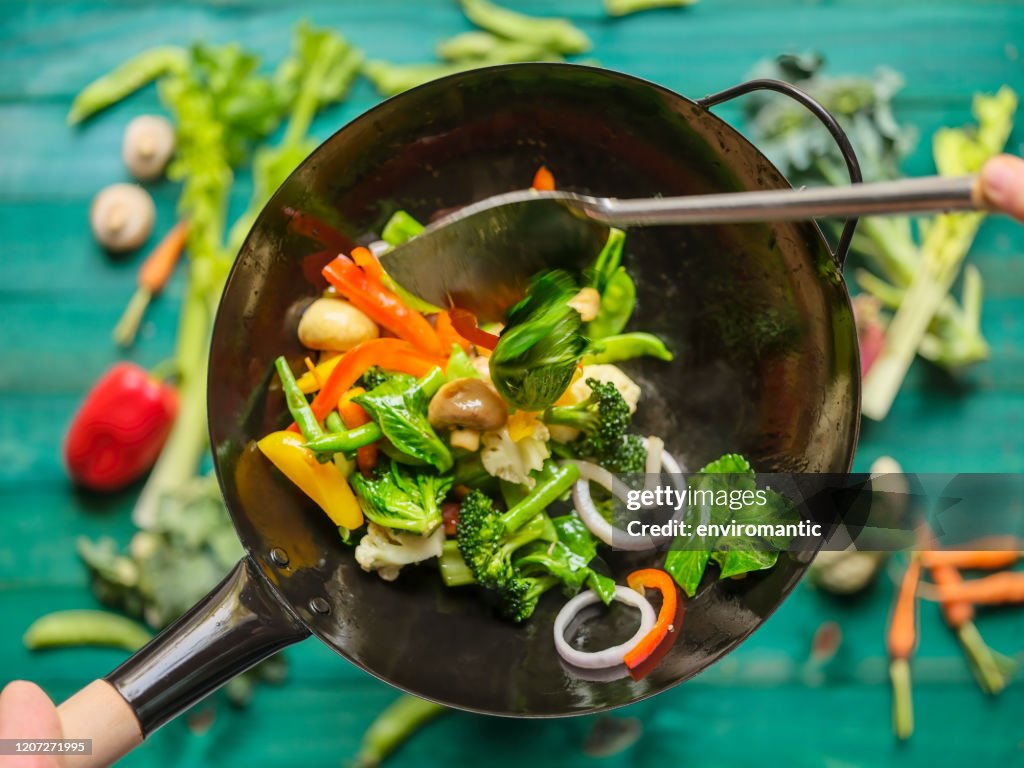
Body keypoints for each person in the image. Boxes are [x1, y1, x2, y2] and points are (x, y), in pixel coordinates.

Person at [0, 154, 1023, 767]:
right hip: (585, 504)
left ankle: (941, 512)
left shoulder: (588, 430)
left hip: (615, 501)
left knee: (841, 509)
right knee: (830, 511)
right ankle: (938, 511)